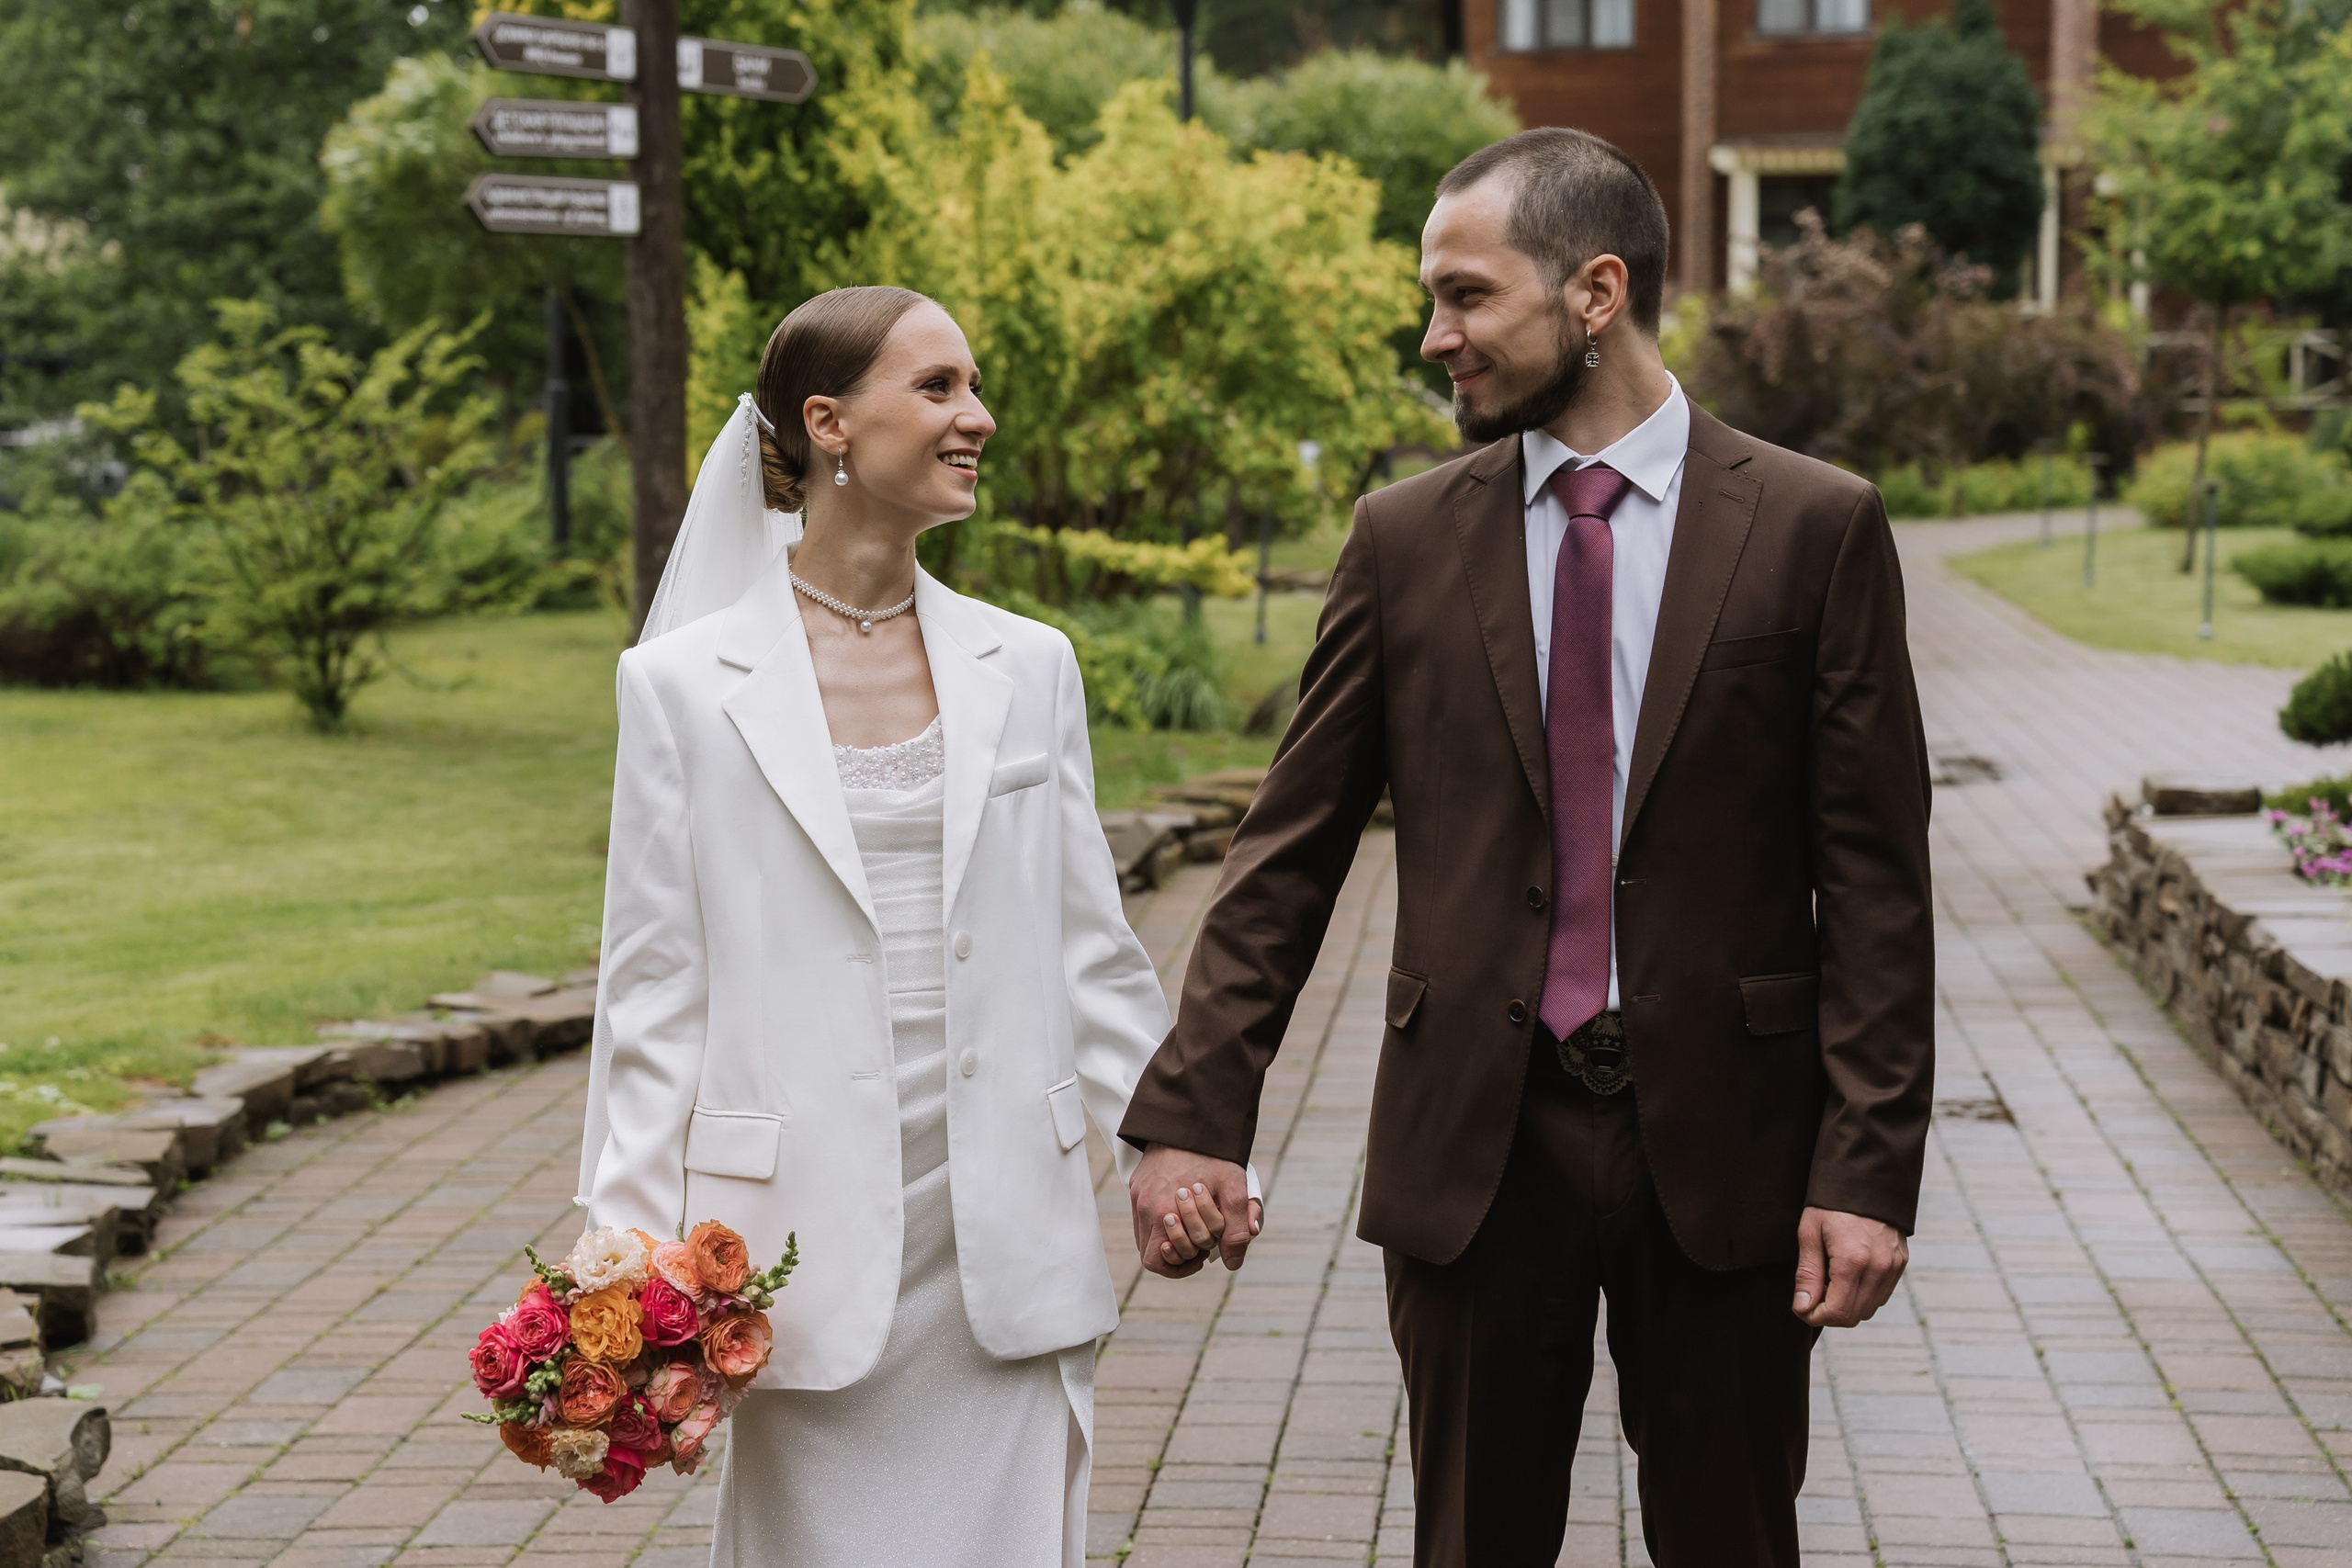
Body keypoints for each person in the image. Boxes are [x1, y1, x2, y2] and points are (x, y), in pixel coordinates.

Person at [1118, 129, 1934, 1567]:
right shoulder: (1405, 540)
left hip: (1731, 1153)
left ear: (1597, 291)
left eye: (1467, 296)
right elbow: (1288, 848)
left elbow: (1874, 883)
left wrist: (1866, 1169)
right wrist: (1198, 1107)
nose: (1437, 337)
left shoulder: (1816, 527)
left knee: (1732, 1540)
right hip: (1475, 1150)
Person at [575, 286, 1252, 1567]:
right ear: (829, 422)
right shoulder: (680, 687)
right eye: (937, 388)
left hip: (1003, 1225)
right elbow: (655, 990)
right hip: (793, 1248)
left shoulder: (1030, 664)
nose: (977, 416)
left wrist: (1179, 1139)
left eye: (974, 385)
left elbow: (1089, 948)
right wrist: (620, 1264)